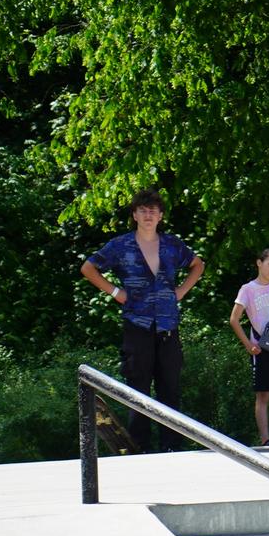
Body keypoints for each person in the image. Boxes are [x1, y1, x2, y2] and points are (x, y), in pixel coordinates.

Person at [78, 189, 205, 452]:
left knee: (170, 388)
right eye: (143, 210)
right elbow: (89, 268)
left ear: (160, 216)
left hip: (168, 326)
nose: (149, 215)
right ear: (135, 214)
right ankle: (140, 450)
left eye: (153, 211)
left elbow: (198, 265)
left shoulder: (171, 245)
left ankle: (172, 448)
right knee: (138, 389)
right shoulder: (121, 245)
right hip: (137, 325)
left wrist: (181, 291)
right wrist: (116, 292)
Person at [229, 248, 269, 445]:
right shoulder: (247, 289)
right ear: (259, 263)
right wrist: (248, 345)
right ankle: (265, 439)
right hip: (260, 347)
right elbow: (234, 319)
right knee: (263, 394)